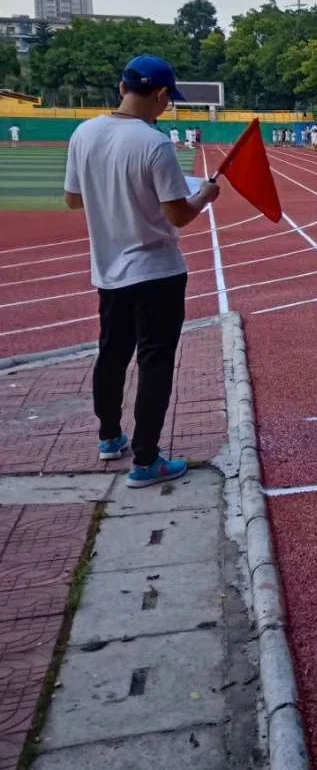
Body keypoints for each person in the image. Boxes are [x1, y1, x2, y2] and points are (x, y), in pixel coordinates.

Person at [63, 55, 221, 489]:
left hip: (109, 270)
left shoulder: (84, 133)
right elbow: (178, 215)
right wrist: (204, 194)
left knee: (111, 354)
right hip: (156, 271)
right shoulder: (154, 143)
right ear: (161, 95)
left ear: (121, 87)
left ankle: (110, 437)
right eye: (168, 101)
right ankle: (147, 460)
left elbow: (73, 199)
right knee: (155, 363)